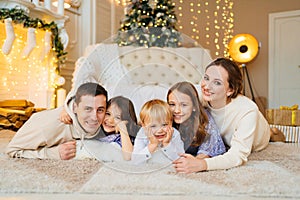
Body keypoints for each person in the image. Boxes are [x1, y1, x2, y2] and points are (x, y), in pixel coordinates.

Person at [173, 58, 272, 173]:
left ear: (230, 90)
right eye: (206, 78)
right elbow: (170, 100)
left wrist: (202, 164)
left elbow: (237, 156)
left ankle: (273, 132)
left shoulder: (247, 110)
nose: (207, 86)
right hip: (222, 139)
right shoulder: (199, 94)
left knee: (270, 134)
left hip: (259, 138)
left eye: (217, 82)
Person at [5, 82, 107, 160]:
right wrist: (52, 153)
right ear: (75, 108)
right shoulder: (46, 127)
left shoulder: (106, 121)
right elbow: (12, 150)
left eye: (100, 110)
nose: (94, 117)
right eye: (88, 109)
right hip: (41, 123)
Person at [60, 96, 140, 161]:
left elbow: (129, 157)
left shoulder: (122, 138)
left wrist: (123, 130)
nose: (110, 120)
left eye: (117, 117)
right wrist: (66, 110)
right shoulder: (96, 127)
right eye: (108, 114)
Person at [167, 82, 226, 159]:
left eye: (184, 105)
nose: (177, 110)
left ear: (194, 106)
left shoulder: (204, 120)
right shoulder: (166, 118)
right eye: (172, 104)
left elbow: (208, 151)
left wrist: (196, 160)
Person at [131, 99, 185, 165]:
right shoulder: (142, 133)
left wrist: (167, 144)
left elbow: (180, 159)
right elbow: (135, 161)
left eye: (164, 125)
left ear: (171, 122)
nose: (160, 130)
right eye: (153, 126)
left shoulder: (174, 134)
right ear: (144, 126)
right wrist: (152, 145)